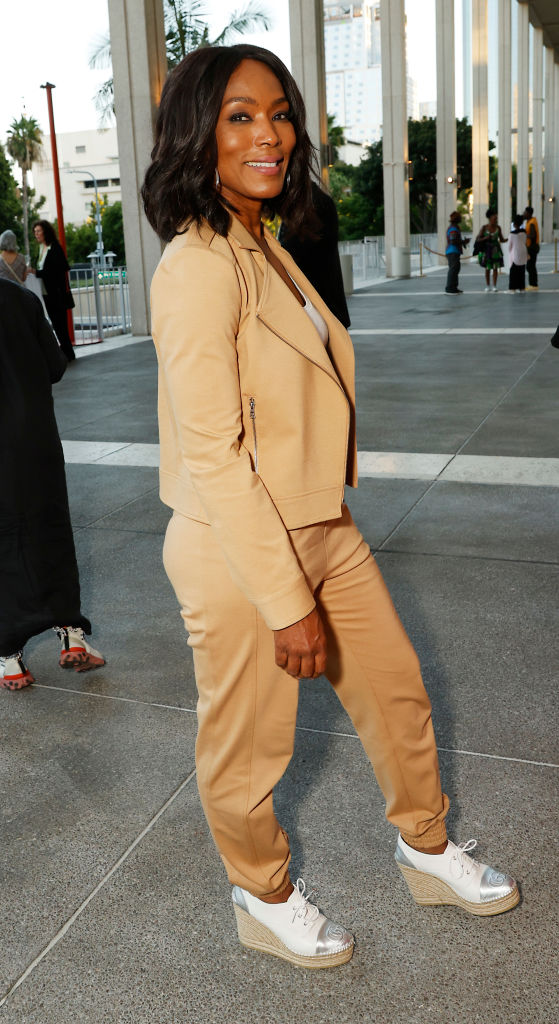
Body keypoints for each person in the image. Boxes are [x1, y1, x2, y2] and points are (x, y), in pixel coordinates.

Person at [142, 44, 519, 971]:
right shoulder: (195, 268)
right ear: (199, 131)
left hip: (319, 523)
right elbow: (216, 459)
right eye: (240, 115)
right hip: (241, 548)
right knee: (248, 747)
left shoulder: (266, 239)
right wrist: (287, 601)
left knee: (395, 693)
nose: (269, 133)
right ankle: (261, 894)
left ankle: (426, 849)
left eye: (280, 112)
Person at [0, 280, 104, 691]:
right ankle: (71, 634)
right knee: (51, 527)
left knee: (5, 538)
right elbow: (56, 365)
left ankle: (10, 660)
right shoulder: (22, 297)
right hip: (37, 439)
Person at [278, 180, 350, 327]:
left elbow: (293, 260)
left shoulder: (308, 207)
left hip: (316, 313)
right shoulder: (314, 200)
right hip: (325, 310)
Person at [32, 219, 75, 362]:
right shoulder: (41, 249)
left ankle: (68, 353)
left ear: (45, 232)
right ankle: (66, 351)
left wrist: (36, 272)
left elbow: (55, 271)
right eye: (35, 232)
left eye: (38, 231)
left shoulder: (55, 248)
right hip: (46, 293)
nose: (36, 234)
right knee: (56, 324)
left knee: (60, 324)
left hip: (56, 293)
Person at [476, 209, 506, 292]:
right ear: (489, 218)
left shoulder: (498, 228)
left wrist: (511, 237)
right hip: (487, 250)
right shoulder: (484, 228)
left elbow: (502, 239)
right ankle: (487, 285)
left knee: (495, 268)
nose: (496, 218)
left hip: (496, 250)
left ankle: (494, 286)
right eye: (494, 216)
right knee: (487, 268)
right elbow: (478, 239)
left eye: (496, 217)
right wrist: (486, 238)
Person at [444, 211, 469, 294]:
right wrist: (463, 242)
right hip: (452, 251)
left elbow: (454, 240)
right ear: (456, 219)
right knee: (453, 269)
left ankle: (454, 287)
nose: (461, 218)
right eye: (459, 217)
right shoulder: (453, 228)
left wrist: (463, 242)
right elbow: (453, 241)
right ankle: (450, 288)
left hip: (453, 251)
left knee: (455, 269)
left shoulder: (454, 227)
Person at [507, 215, 528, 293]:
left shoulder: (512, 234)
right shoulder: (524, 232)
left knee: (513, 272)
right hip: (523, 252)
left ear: (514, 224)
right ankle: (522, 288)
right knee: (521, 271)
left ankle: (512, 288)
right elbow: (525, 242)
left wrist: (510, 252)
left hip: (515, 253)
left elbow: (509, 246)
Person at [523, 205, 540, 290]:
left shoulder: (532, 222)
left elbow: (533, 235)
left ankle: (533, 284)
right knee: (531, 266)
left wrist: (525, 235)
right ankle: (533, 284)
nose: (524, 214)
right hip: (531, 247)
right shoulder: (529, 221)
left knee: (530, 266)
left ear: (529, 213)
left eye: (525, 213)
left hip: (532, 247)